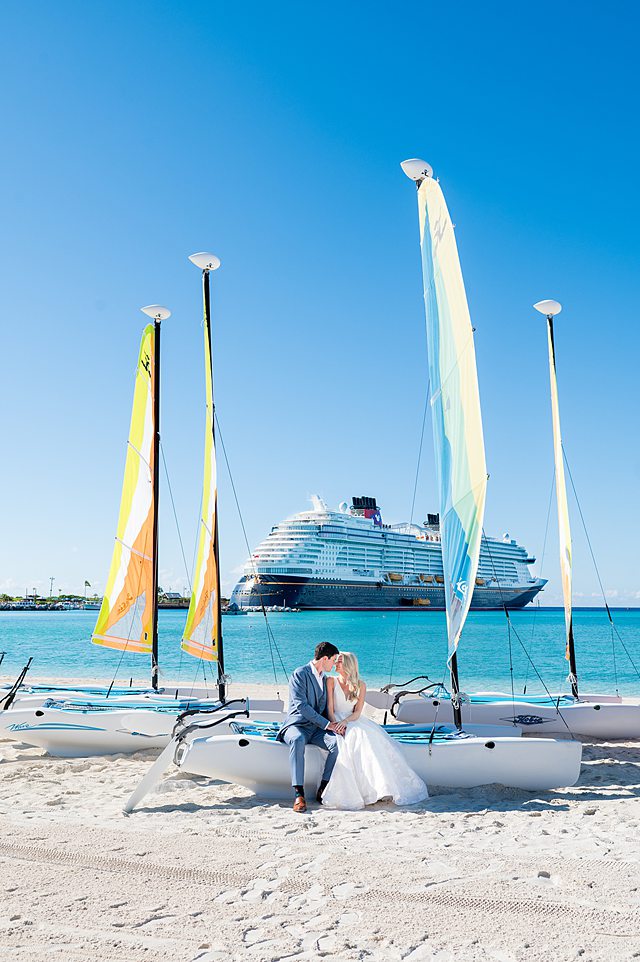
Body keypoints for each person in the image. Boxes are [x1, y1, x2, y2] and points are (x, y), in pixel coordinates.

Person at [321, 651, 429, 810]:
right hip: (335, 719)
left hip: (352, 719)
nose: (336, 664)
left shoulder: (360, 685)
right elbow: (329, 709)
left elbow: (357, 712)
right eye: (336, 661)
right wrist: (335, 724)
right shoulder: (331, 681)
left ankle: (375, 789)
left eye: (339, 662)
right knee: (352, 740)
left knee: (365, 736)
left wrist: (345, 721)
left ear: (348, 665)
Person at [276, 641, 345, 812]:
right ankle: (299, 794)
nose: (334, 663)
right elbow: (302, 706)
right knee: (298, 740)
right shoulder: (299, 674)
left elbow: (326, 707)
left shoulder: (326, 678)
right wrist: (327, 724)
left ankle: (323, 787)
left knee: (336, 744)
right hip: (296, 725)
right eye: (333, 660)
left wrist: (337, 725)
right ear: (325, 658)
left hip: (316, 728)